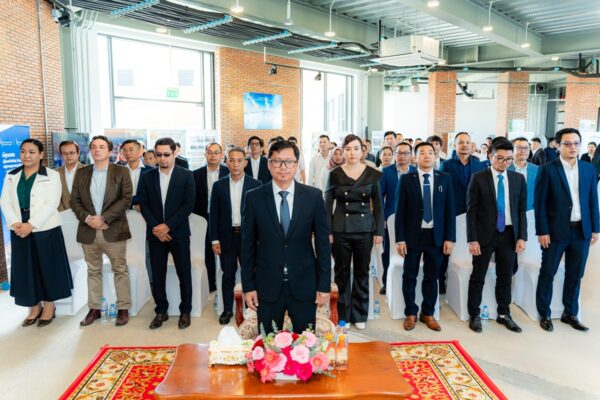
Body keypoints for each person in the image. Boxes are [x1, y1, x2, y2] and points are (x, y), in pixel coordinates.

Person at [241, 140, 331, 334]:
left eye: (289, 162)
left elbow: (323, 244)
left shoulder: (313, 196)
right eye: (277, 161)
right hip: (267, 284)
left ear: (296, 164)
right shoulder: (254, 197)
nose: (283, 167)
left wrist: (324, 285)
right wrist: (248, 286)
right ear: (268, 164)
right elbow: (247, 245)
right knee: (268, 343)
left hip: (304, 282)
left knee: (306, 343)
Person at [0, 139, 73, 327]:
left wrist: (31, 225)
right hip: (19, 227)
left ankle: (49, 306)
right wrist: (15, 223)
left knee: (47, 267)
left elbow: (52, 203)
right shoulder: (11, 175)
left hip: (45, 227)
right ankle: (33, 307)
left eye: (32, 152)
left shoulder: (52, 175)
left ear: (41, 155)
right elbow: (5, 201)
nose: (26, 155)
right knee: (25, 269)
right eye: (23, 151)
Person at [535, 128, 599, 332]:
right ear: (558, 145)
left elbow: (593, 200)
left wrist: (595, 228)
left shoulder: (588, 169)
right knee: (548, 273)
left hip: (581, 231)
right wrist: (542, 231)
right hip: (555, 232)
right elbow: (540, 204)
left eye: (576, 143)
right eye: (567, 143)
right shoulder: (547, 169)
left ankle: (570, 313)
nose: (573, 147)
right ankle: (544, 314)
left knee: (575, 274)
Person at [71, 135, 133, 327]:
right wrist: (88, 219)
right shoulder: (82, 173)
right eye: (94, 147)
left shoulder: (121, 171)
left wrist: (103, 218)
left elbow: (126, 199)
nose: (97, 150)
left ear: (110, 151)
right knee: (93, 271)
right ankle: (94, 309)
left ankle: (123, 308)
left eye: (101, 147)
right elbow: (75, 201)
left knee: (120, 269)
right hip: (88, 230)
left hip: (112, 229)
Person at [466, 140, 527, 333]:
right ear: (490, 156)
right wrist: (472, 239)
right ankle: (474, 314)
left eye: (508, 159)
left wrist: (522, 237)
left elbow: (521, 211)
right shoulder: (479, 178)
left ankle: (503, 313)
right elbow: (471, 211)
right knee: (478, 275)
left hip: (509, 234)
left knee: (505, 277)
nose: (504, 163)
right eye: (500, 158)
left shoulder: (518, 179)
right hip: (485, 234)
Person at [326, 134, 384, 330]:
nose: (352, 152)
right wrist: (328, 230)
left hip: (364, 228)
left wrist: (379, 231)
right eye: (348, 149)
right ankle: (343, 315)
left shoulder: (372, 173)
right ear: (343, 151)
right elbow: (328, 204)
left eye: (356, 148)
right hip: (340, 228)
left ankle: (360, 314)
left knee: (362, 271)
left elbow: (378, 205)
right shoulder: (335, 174)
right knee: (341, 273)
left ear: (362, 151)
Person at [395, 142, 455, 331]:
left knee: (432, 276)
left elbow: (450, 210)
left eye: (430, 152)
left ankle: (428, 313)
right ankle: (410, 313)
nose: (427, 156)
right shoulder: (407, 179)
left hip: (436, 237)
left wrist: (449, 238)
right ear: (415, 157)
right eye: (422, 153)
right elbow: (400, 212)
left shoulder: (444, 178)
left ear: (435, 156)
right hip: (413, 236)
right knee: (409, 275)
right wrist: (400, 239)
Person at [139, 137, 196, 329]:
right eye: (158, 155)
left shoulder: (186, 175)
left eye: (166, 154)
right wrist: (157, 227)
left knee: (184, 273)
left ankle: (185, 311)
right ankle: (161, 311)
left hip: (179, 233)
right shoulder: (147, 176)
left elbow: (188, 205)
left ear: (174, 154)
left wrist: (168, 226)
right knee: (157, 274)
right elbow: (143, 204)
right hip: (155, 234)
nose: (162, 158)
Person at [210, 147, 261, 325]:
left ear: (245, 163)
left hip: (249, 237)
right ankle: (227, 309)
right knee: (228, 274)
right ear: (227, 162)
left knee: (250, 272)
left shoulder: (256, 185)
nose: (236, 164)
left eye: (239, 160)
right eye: (232, 160)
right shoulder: (219, 185)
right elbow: (213, 214)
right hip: (227, 237)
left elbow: (261, 216)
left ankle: (251, 308)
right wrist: (214, 239)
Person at [439, 132, 485, 293]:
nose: (464, 145)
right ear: (454, 145)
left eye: (467, 142)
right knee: (448, 246)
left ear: (472, 145)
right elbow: (442, 189)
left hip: (474, 211)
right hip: (453, 210)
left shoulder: (479, 164)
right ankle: (441, 279)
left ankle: (470, 279)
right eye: (461, 142)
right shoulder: (447, 165)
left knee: (471, 244)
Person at [379, 142, 415, 294]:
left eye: (405, 153)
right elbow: (380, 197)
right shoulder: (386, 172)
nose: (402, 156)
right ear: (395, 155)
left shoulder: (416, 171)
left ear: (411, 155)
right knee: (388, 251)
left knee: (412, 250)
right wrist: (382, 219)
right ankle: (386, 281)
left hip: (413, 219)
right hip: (391, 218)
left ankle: (409, 279)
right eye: (399, 153)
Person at [193, 143, 229, 293]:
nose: (213, 155)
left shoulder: (229, 172)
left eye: (216, 152)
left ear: (221, 155)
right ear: (205, 154)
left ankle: (226, 282)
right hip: (203, 218)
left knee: (225, 250)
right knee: (207, 251)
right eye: (210, 152)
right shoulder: (196, 174)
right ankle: (211, 283)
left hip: (224, 218)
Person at [120, 139, 153, 211]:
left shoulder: (151, 171)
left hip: (144, 213)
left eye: (131, 150)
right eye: (125, 150)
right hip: (121, 213)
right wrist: (133, 206)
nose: (127, 153)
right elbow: (115, 195)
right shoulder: (118, 171)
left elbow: (150, 195)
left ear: (139, 151)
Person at [509, 137, 538, 211]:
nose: (523, 151)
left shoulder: (537, 170)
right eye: (519, 148)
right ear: (512, 150)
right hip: (509, 211)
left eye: (526, 148)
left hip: (530, 211)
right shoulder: (505, 169)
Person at [56, 140, 84, 211]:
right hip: (63, 214)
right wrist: (63, 213)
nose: (68, 156)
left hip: (86, 215)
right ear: (61, 155)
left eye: (71, 153)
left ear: (78, 153)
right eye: (64, 153)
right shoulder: (55, 173)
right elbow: (54, 197)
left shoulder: (88, 171)